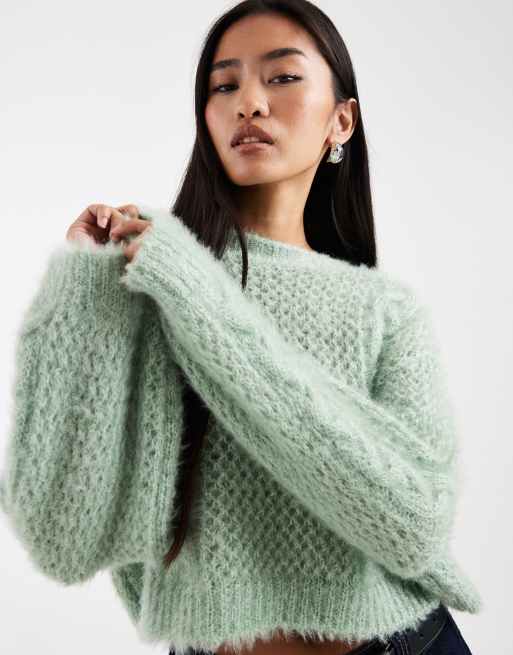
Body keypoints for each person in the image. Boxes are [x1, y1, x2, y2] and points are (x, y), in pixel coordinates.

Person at [0, 1, 482, 654]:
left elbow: (414, 527)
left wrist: (198, 294)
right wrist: (82, 293)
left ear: (341, 120)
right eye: (223, 86)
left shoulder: (382, 310)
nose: (248, 103)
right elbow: (62, 539)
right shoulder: (146, 283)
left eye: (281, 77)